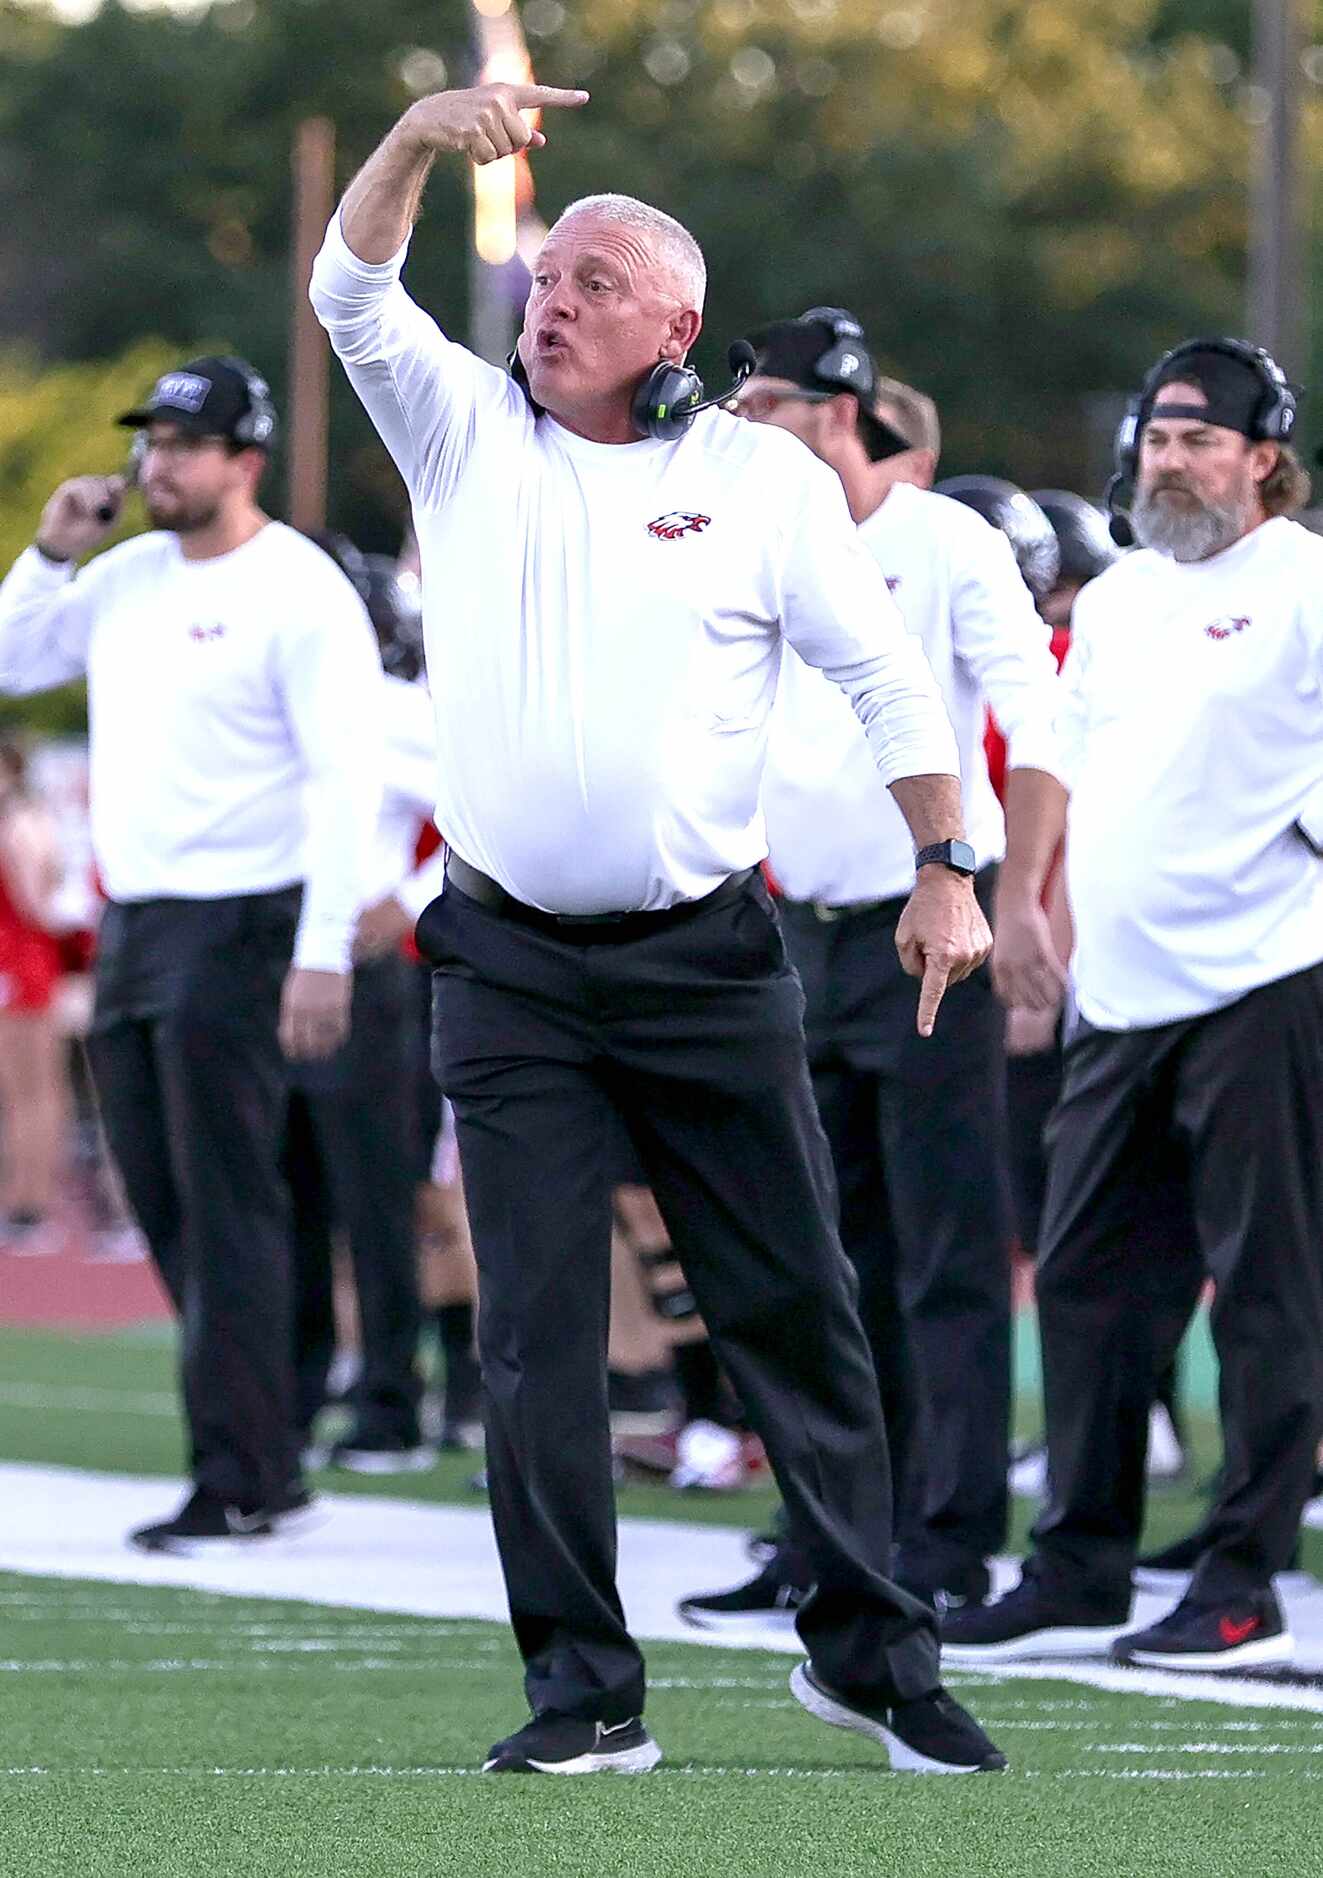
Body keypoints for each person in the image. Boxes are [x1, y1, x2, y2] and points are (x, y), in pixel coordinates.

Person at [312, 79, 1006, 1776]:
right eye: (544, 274)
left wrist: (948, 863)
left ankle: (866, 1653)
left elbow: (877, 672)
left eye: (593, 281)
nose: (552, 299)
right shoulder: (460, 427)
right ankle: (584, 1692)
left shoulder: (759, 476)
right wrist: (415, 136)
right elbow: (349, 291)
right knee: (537, 1336)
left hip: (704, 957)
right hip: (507, 964)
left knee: (793, 1312)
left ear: (675, 325)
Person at [942, 336, 1323, 1671]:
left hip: (1266, 975)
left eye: (1197, 439)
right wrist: (1029, 896)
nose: (1169, 460)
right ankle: (1075, 1566)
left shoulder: (1302, 583)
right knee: (1089, 1281)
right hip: (1119, 981)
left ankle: (1237, 1580)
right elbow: (1050, 746)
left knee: (1263, 1290)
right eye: (1155, 438)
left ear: (1258, 457)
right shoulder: (1113, 600)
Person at [678, 332, 1064, 1630]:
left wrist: (1003, 897)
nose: (736, 418)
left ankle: (946, 1534)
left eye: (762, 400)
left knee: (942, 1247)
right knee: (811, 1250)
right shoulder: (743, 528)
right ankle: (828, 1527)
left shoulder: (948, 539)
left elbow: (1033, 717)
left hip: (924, 925)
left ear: (833, 410)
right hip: (792, 930)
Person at [0, 356, 384, 1551]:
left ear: (245, 460)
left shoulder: (297, 587)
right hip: (140, 923)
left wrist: (322, 948)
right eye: (151, 440)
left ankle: (248, 1473)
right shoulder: (122, 578)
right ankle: (266, 1437)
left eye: (185, 442)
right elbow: (13, 665)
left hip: (245, 922)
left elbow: (346, 778)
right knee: (164, 1202)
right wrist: (51, 551)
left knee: (228, 1206)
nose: (159, 462)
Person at [286, 533, 437, 1472]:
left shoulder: (391, 711)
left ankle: (391, 1398)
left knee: (373, 1194)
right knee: (286, 1191)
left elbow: (481, 809)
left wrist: (410, 902)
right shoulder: (277, 708)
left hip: (361, 975)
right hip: (271, 963)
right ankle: (297, 1391)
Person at [0, 734, 67, 1251]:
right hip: (14, 962)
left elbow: (36, 903)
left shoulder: (22, 822)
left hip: (23, 964)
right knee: (19, 1091)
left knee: (32, 1090)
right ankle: (22, 1198)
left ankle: (32, 1203)